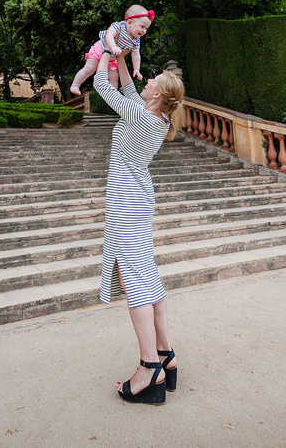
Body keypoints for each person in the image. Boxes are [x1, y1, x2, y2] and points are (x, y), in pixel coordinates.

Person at [92, 46, 185, 405]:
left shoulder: (142, 118)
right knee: (146, 275)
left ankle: (149, 366)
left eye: (153, 82)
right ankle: (165, 354)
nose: (146, 81)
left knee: (135, 281)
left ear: (158, 94)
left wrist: (104, 48)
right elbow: (130, 89)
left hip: (127, 204)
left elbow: (103, 85)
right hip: (137, 200)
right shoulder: (153, 116)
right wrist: (124, 59)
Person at [69, 5, 154, 96]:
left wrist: (136, 69)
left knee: (114, 77)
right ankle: (75, 85)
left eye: (146, 28)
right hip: (100, 50)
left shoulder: (136, 40)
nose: (144, 31)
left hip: (113, 58)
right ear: (129, 22)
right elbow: (109, 35)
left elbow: (136, 54)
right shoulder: (118, 26)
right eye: (142, 27)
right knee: (89, 69)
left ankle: (112, 95)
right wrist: (113, 46)